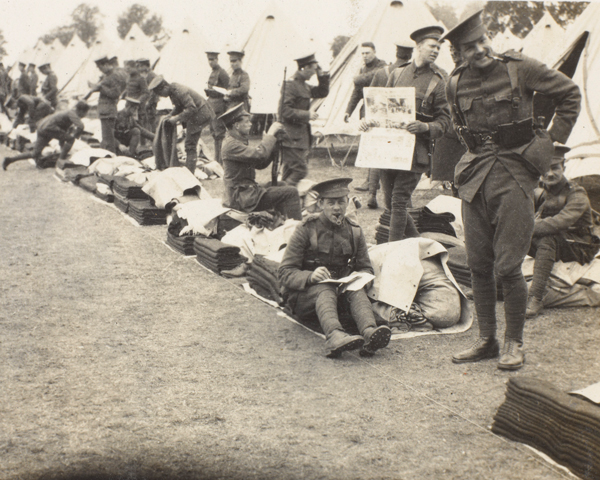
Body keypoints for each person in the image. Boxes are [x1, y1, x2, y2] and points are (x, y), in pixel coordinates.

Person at [442, 9, 581, 370]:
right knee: (477, 264)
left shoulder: (520, 68)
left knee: (508, 265)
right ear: (458, 53)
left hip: (515, 174)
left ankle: (513, 343)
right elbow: (459, 128)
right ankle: (486, 339)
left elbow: (569, 94)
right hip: (474, 177)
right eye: (471, 47)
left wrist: (550, 146)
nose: (481, 50)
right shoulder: (454, 82)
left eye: (483, 41)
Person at [278, 177, 392, 358]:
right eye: (331, 203)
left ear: (347, 203)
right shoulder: (306, 229)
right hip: (305, 298)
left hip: (340, 297)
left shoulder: (354, 231)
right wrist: (310, 276)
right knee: (325, 287)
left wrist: (358, 280)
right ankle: (334, 336)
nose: (337, 208)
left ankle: (370, 332)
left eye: (341, 202)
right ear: (321, 203)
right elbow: (285, 272)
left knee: (355, 290)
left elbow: (366, 268)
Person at [360, 26, 451, 242]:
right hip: (389, 151)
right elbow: (382, 110)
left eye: (439, 47)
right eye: (432, 46)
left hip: (416, 154)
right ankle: (418, 243)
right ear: (418, 47)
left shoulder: (439, 81)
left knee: (399, 201)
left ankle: (392, 251)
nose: (436, 50)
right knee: (391, 202)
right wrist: (368, 122)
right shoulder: (397, 74)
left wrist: (425, 127)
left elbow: (445, 121)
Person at [526, 144, 598, 318]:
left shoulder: (577, 193)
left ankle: (536, 297)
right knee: (511, 238)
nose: (549, 174)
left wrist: (525, 229)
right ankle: (497, 286)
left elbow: (560, 222)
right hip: (561, 242)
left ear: (564, 167)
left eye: (555, 168)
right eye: (545, 169)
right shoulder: (544, 192)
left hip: (581, 245)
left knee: (547, 238)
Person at [220, 103, 302, 220]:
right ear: (237, 125)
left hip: (245, 192)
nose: (250, 124)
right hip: (240, 198)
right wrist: (270, 134)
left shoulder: (236, 141)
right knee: (291, 192)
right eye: (247, 122)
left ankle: (280, 222)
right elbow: (260, 155)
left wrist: (273, 145)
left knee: (282, 185)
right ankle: (298, 229)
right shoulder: (231, 145)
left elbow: (259, 164)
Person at [358, 42, 415, 208]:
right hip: (399, 127)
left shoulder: (382, 72)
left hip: (379, 123)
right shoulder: (409, 74)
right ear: (410, 55)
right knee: (401, 164)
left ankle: (372, 194)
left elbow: (370, 97)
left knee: (378, 159)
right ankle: (403, 202)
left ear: (396, 53)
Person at [343, 42, 388, 208]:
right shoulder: (363, 69)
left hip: (379, 114)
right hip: (366, 113)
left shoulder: (382, 66)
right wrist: (348, 111)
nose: (365, 56)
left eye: (368, 53)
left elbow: (367, 79)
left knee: (378, 149)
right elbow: (357, 93)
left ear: (374, 52)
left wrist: (356, 79)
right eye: (362, 53)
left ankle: (373, 185)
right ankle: (370, 182)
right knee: (370, 148)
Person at [278, 53, 330, 187]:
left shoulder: (304, 85)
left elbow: (322, 92)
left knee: (289, 171)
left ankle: (279, 201)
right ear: (303, 68)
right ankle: (284, 196)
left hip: (298, 138)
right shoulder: (290, 85)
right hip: (290, 138)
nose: (313, 73)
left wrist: (321, 75)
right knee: (300, 170)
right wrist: (307, 114)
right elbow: (284, 111)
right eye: (312, 69)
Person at [148, 75, 215, 174]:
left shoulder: (179, 90)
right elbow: (179, 107)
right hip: (196, 114)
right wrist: (170, 115)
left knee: (190, 145)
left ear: (165, 87)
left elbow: (192, 108)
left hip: (200, 114)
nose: (161, 96)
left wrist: (176, 119)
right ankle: (189, 172)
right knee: (190, 145)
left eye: (161, 93)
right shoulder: (172, 91)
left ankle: (190, 175)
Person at [2, 101, 89, 170]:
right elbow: (81, 126)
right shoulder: (72, 113)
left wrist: (63, 148)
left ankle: (10, 160)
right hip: (49, 128)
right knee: (71, 140)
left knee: (35, 153)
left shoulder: (67, 112)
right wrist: (76, 136)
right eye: (85, 113)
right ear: (81, 111)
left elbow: (62, 135)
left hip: (43, 128)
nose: (84, 115)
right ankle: (61, 161)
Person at [89, 56, 127, 153]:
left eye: (100, 67)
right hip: (105, 110)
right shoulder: (107, 76)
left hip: (108, 110)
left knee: (109, 139)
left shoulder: (114, 76)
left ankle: (111, 158)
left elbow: (115, 93)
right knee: (106, 138)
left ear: (106, 65)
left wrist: (100, 87)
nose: (100, 70)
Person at [204, 51, 230, 164]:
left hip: (219, 105)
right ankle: (217, 158)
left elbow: (228, 89)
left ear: (217, 60)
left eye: (213, 59)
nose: (211, 62)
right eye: (209, 60)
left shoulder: (222, 73)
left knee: (219, 133)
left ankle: (220, 160)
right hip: (211, 104)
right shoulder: (213, 72)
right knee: (214, 132)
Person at [136, 58, 158, 132]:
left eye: (141, 66)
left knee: (151, 119)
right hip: (145, 101)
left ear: (146, 66)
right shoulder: (143, 75)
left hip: (152, 100)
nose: (139, 68)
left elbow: (154, 90)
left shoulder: (151, 75)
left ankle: (153, 137)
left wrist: (149, 101)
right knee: (145, 120)